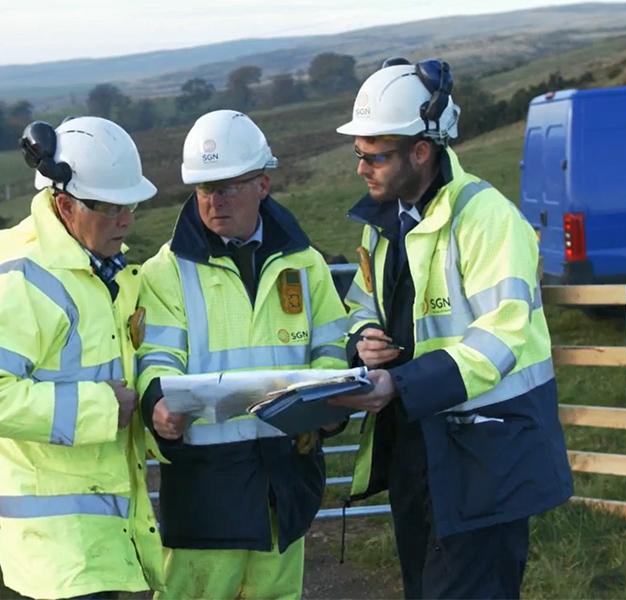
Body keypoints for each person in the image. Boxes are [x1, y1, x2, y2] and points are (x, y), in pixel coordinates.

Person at [331, 59, 574, 599]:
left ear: (421, 150)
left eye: (376, 155)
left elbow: (504, 333)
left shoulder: (486, 218)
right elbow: (359, 303)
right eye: (358, 154)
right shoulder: (384, 225)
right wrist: (361, 339)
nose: (362, 168)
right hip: (419, 454)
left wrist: (402, 384)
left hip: (488, 459)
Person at [135, 109, 348, 600]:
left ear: (264, 184)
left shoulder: (305, 262)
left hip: (285, 488)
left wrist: (329, 407)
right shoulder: (164, 273)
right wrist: (156, 405)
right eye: (205, 189)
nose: (215, 200)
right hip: (206, 498)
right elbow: (155, 363)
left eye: (229, 186)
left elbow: (332, 345)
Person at [0, 117, 164, 599]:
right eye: (112, 208)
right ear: (65, 204)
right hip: (57, 548)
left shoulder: (96, 268)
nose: (127, 219)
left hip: (96, 539)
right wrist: (103, 409)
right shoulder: (21, 279)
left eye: (130, 204)